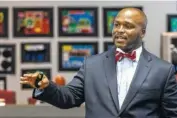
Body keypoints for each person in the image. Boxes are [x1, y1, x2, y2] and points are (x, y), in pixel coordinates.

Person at [20, 8, 177, 118]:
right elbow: (69, 97)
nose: (120, 30)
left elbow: (172, 114)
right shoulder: (92, 65)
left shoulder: (163, 70)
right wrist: (46, 87)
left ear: (142, 32)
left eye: (128, 26)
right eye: (117, 24)